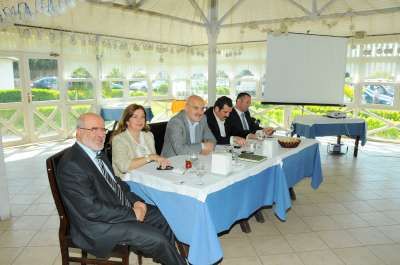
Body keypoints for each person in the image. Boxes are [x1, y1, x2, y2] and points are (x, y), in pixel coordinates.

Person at [57, 113, 186, 265]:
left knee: (163, 217)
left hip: (114, 208)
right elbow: (91, 209)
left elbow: (116, 183)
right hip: (97, 226)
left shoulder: (97, 153)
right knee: (158, 240)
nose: (100, 134)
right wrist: (132, 213)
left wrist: (136, 201)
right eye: (93, 129)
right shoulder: (72, 165)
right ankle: (172, 258)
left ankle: (167, 258)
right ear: (78, 132)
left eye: (102, 129)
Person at [112, 104, 170, 179]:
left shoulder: (148, 135)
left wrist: (161, 162)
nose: (139, 120)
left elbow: (154, 161)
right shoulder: (119, 140)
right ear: (127, 121)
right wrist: (150, 157)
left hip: (150, 176)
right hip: (129, 180)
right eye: (135, 117)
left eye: (142, 117)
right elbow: (124, 167)